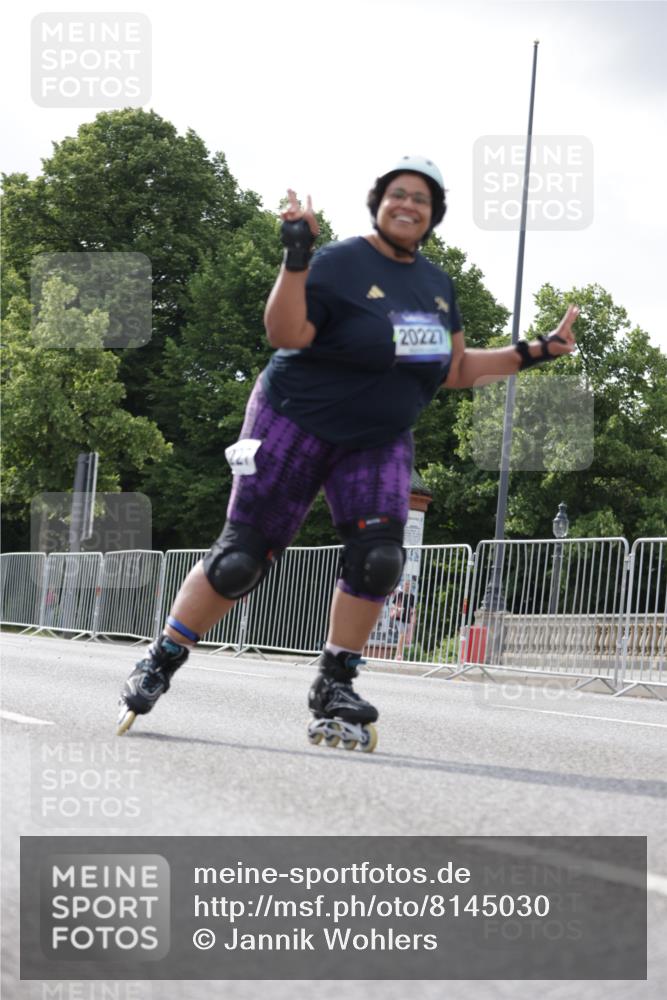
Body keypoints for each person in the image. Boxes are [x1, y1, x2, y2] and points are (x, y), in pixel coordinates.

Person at [117, 154, 579, 750]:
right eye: (398, 194)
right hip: (294, 418)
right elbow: (287, 334)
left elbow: (457, 368)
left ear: (434, 214)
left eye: (422, 199)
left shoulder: (437, 287)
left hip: (378, 437)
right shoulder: (337, 261)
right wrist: (295, 257)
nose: (408, 205)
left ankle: (335, 681)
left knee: (380, 558)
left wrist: (537, 350)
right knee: (241, 561)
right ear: (378, 201)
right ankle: (164, 656)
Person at [390, 577, 417, 661]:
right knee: (402, 635)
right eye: (406, 584)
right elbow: (393, 606)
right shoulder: (399, 595)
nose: (407, 586)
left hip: (407, 619)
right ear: (403, 585)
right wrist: (398, 609)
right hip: (399, 618)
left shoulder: (412, 596)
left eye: (408, 584)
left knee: (402, 637)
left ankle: (397, 655)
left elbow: (412, 609)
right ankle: (399, 656)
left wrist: (413, 614)